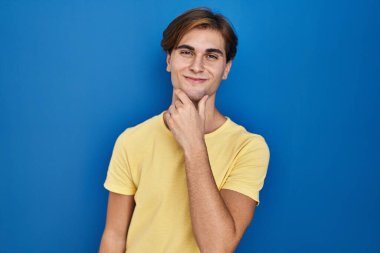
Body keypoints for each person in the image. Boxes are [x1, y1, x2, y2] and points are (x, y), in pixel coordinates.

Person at [99, 7, 270, 253]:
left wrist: (194, 144)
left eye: (211, 56)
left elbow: (217, 247)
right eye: (186, 52)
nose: (197, 66)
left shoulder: (249, 148)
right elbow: (114, 236)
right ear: (169, 60)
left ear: (226, 68)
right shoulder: (132, 140)